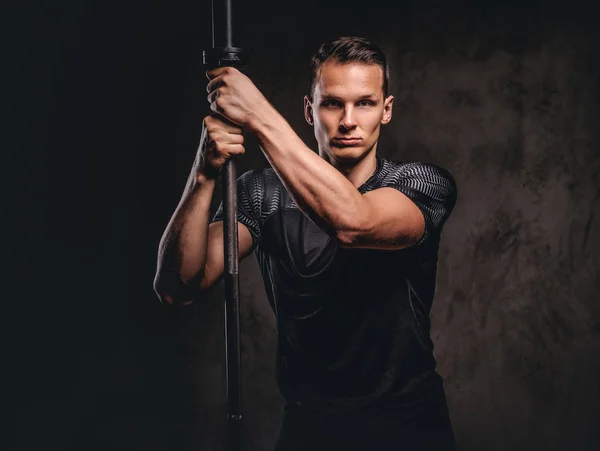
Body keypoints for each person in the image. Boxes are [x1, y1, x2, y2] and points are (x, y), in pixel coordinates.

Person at [154, 36, 458, 451]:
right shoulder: (261, 194)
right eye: (332, 103)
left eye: (365, 103)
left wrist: (257, 115)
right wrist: (203, 174)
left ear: (386, 111)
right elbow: (179, 285)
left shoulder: (421, 184)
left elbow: (353, 223)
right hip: (310, 428)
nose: (348, 120)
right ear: (308, 109)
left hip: (408, 426)